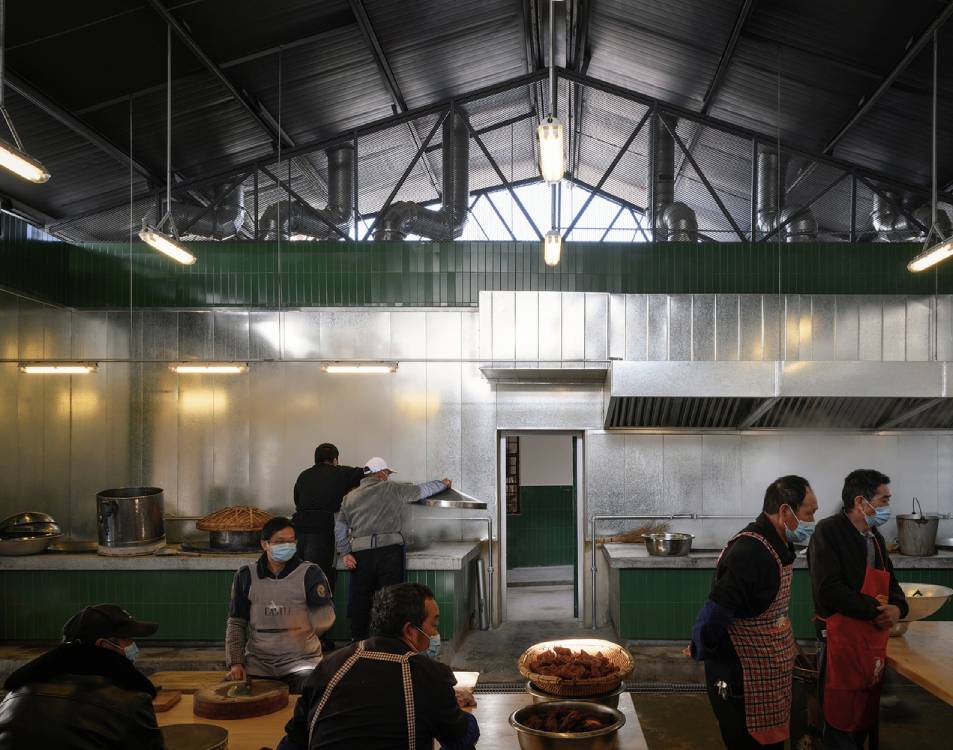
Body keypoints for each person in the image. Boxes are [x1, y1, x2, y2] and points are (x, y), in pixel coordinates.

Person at [691, 475, 819, 750]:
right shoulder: (750, 551)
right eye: (809, 513)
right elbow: (715, 613)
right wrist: (704, 649)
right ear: (785, 511)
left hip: (769, 674)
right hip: (742, 677)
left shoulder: (778, 544)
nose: (812, 521)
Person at [277, 582, 479, 750]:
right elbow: (460, 739)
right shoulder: (429, 675)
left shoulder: (328, 667)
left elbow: (293, 743)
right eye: (433, 625)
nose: (435, 635)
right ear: (410, 630)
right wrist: (457, 711)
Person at [808, 469, 908, 749]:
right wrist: (878, 610)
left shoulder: (874, 536)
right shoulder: (828, 531)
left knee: (864, 714)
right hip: (839, 640)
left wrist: (898, 608)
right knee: (839, 718)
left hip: (870, 642)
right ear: (861, 502)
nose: (888, 506)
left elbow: (893, 586)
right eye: (884, 499)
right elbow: (829, 589)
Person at [0, 603, 164, 749]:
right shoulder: (130, 701)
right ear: (104, 645)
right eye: (127, 639)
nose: (133, 645)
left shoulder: (13, 696)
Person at [335, 457, 450, 640]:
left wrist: (345, 552)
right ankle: (390, 643)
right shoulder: (391, 488)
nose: (387, 477)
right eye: (387, 473)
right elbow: (421, 491)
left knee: (361, 601)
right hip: (389, 552)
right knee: (391, 600)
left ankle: (359, 643)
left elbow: (340, 526)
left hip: (361, 555)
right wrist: (442, 484)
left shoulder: (350, 497)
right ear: (380, 473)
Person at [226, 516, 336, 694]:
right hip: (259, 665)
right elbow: (236, 623)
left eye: (291, 541)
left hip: (302, 664)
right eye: (279, 542)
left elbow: (327, 614)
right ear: (265, 544)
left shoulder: (310, 573)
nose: (286, 546)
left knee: (313, 696)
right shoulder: (246, 575)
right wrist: (236, 662)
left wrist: (310, 625)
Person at [294, 443, 366, 593]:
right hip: (322, 533)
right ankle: (322, 613)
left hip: (299, 535)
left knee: (301, 580)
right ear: (335, 460)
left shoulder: (303, 475)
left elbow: (297, 500)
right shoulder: (340, 472)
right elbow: (367, 472)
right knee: (320, 581)